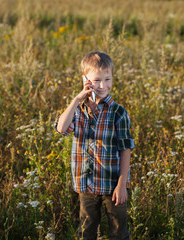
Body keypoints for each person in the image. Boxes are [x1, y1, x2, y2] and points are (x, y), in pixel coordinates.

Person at [54, 51, 135, 240]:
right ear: (85, 80)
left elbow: (126, 149)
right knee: (86, 231)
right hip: (87, 184)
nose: (103, 85)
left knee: (118, 232)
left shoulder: (118, 112)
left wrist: (122, 185)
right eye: (97, 80)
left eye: (107, 79)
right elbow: (61, 128)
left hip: (113, 184)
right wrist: (76, 99)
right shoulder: (78, 111)